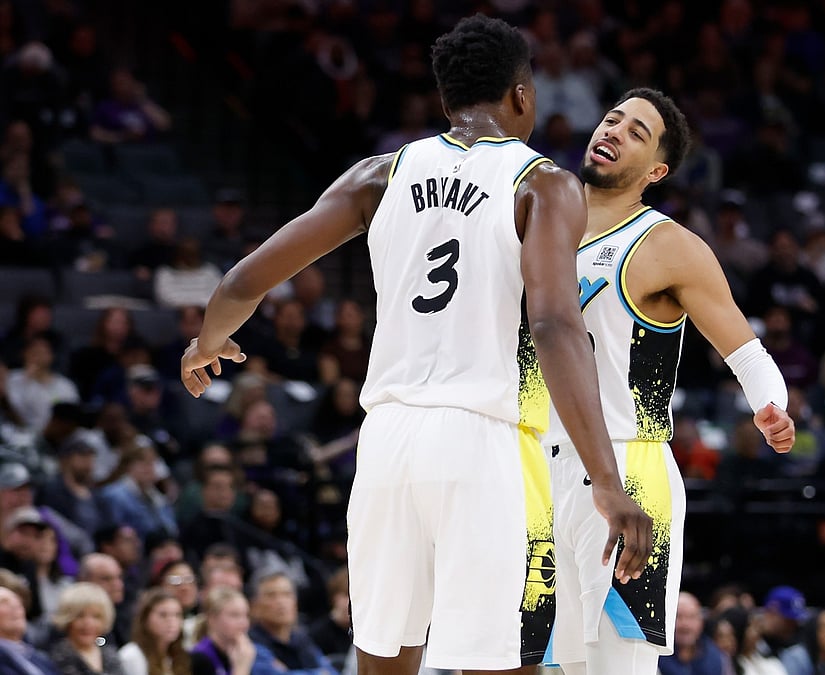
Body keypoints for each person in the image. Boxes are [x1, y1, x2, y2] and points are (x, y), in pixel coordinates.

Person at [178, 14, 652, 675]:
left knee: (383, 661)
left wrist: (208, 339)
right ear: (522, 94)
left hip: (388, 441)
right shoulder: (543, 181)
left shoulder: (379, 174)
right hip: (487, 442)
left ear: (445, 99)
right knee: (501, 660)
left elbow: (244, 278)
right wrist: (607, 478)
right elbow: (552, 324)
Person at [541, 89, 794, 675]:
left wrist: (770, 407)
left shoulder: (668, 246)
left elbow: (748, 352)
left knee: (614, 668)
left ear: (657, 170)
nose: (614, 132)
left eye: (636, 132)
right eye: (612, 120)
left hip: (626, 470)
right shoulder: (537, 224)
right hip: (534, 468)